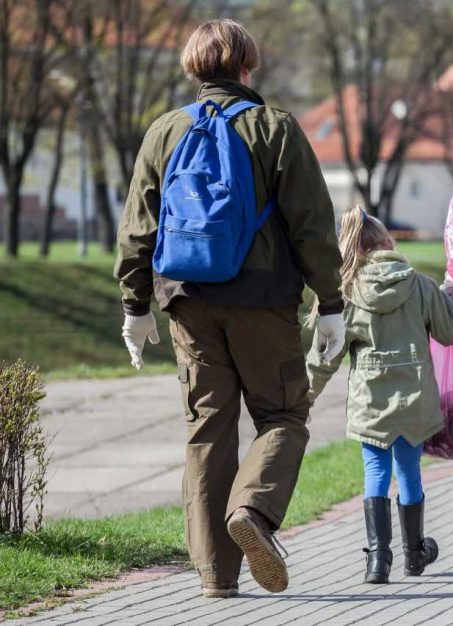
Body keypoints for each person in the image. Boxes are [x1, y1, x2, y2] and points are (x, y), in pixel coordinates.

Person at [114, 20, 345, 598]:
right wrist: (333, 303)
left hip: (188, 302)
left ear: (194, 69)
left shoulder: (164, 132)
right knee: (283, 417)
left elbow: (137, 230)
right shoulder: (276, 129)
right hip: (265, 303)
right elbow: (313, 227)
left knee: (208, 433)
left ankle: (217, 579)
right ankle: (253, 510)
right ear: (248, 66)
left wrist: (135, 307)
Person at [307, 208, 453, 584]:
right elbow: (450, 331)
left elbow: (323, 357)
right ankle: (415, 555)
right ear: (387, 243)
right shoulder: (420, 285)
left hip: (371, 404)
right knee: (409, 471)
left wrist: (303, 400)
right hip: (414, 401)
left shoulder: (346, 293)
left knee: (375, 473)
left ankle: (378, 561)